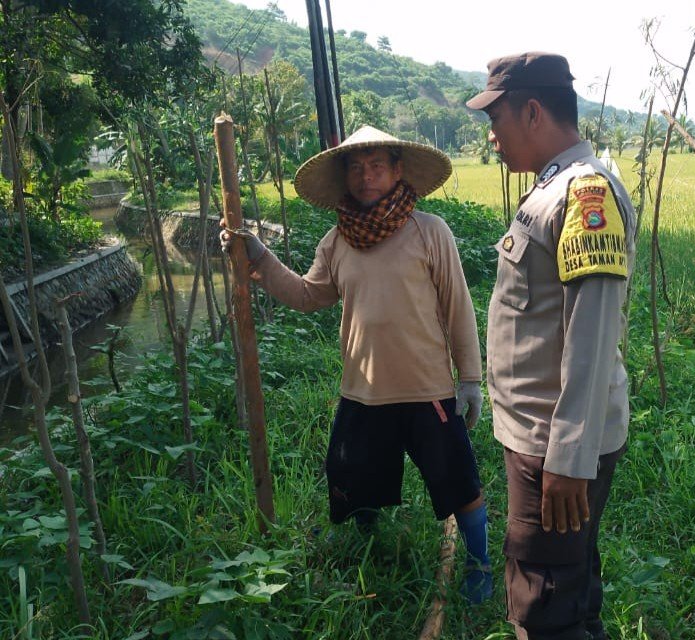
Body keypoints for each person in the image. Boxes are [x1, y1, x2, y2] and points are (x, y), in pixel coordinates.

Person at [220, 125, 492, 603]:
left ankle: (479, 564)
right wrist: (258, 258)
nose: (366, 177)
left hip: (426, 389)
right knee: (352, 476)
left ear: (397, 170)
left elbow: (458, 307)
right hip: (362, 390)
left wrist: (470, 379)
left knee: (458, 480)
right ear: (345, 176)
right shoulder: (336, 241)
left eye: (377, 166)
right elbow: (308, 296)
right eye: (356, 168)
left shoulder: (429, 231)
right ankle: (366, 549)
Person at [466, 52, 636, 638]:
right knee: (568, 584)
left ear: (533, 111)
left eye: (497, 121)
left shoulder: (585, 195)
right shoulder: (553, 188)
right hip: (544, 437)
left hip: (553, 446)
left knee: (542, 603)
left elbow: (591, 334)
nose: (492, 138)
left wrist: (568, 458)